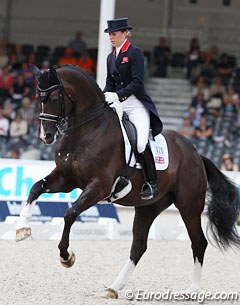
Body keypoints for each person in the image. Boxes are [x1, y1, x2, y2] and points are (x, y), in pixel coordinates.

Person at [103, 18, 162, 200]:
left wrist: (118, 95)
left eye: (114, 34)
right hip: (118, 103)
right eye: (110, 35)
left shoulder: (135, 53)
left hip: (135, 104)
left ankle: (152, 183)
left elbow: (137, 82)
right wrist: (103, 96)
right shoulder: (111, 57)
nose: (111, 38)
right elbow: (109, 83)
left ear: (124, 33)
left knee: (140, 143)